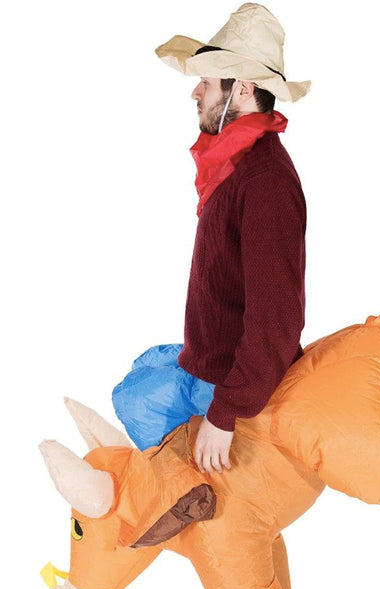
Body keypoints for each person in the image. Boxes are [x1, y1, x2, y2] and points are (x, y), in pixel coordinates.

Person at [113, 3, 311, 474]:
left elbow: (277, 317)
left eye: (207, 81)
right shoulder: (235, 162)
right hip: (209, 358)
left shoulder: (265, 181)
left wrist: (225, 415)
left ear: (242, 88)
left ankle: (188, 497)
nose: (196, 92)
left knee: (138, 406)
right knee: (134, 385)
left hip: (227, 385)